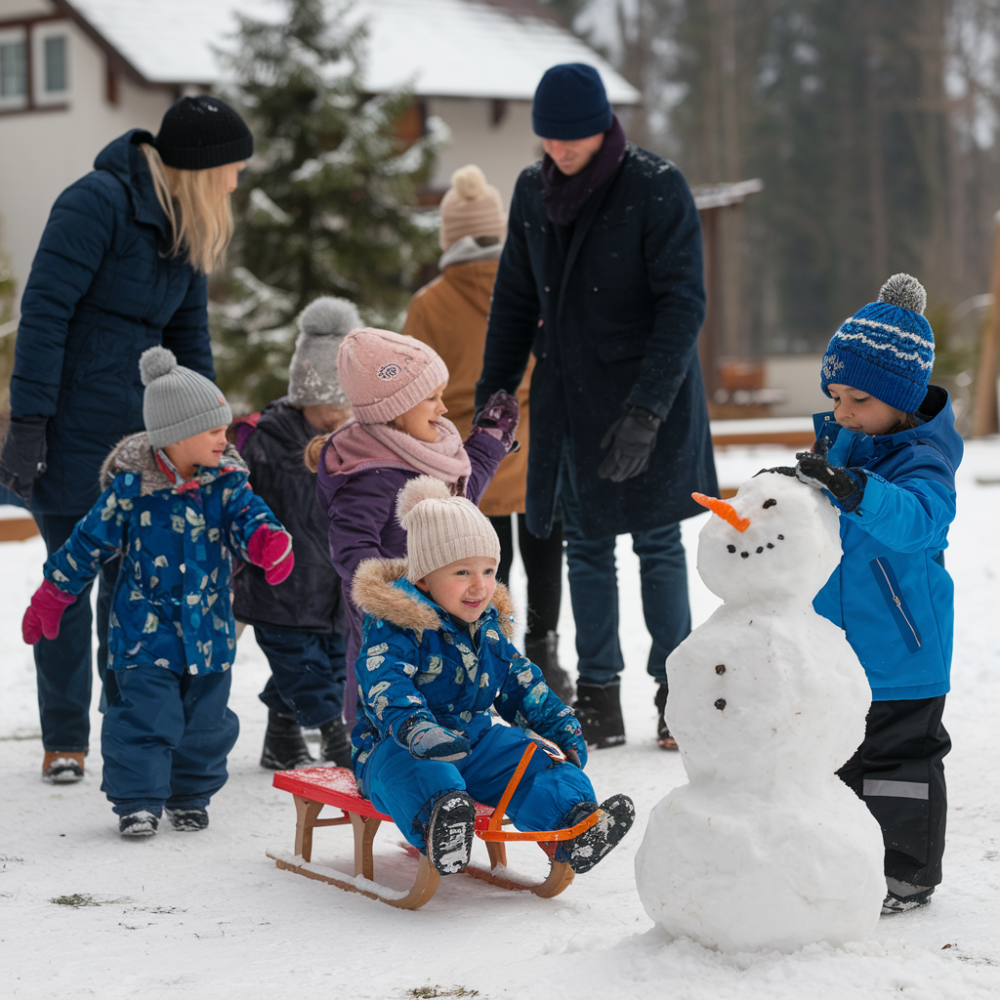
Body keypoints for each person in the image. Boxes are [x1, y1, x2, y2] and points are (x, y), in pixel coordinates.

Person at [0, 95, 253, 782]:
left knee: (136, 590)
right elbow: (44, 314)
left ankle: (131, 732)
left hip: (148, 435)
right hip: (72, 424)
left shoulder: (185, 225)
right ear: (199, 167)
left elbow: (190, 340)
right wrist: (27, 424)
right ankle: (64, 740)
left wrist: (207, 432)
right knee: (69, 576)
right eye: (230, 169)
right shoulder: (97, 203)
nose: (235, 182)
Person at [475, 63, 718, 750]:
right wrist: (494, 393)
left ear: (602, 129)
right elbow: (515, 302)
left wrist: (647, 410)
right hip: (570, 396)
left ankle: (679, 696)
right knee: (585, 546)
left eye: (571, 140)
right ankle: (599, 696)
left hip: (650, 395)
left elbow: (683, 304)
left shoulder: (655, 186)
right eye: (547, 140)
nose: (557, 152)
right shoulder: (532, 192)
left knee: (657, 543)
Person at [21, 348, 293, 837]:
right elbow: (86, 541)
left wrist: (268, 543)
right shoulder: (132, 490)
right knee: (143, 717)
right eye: (213, 430)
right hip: (143, 633)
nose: (223, 439)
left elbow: (252, 519)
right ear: (176, 435)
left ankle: (190, 794)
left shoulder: (227, 485)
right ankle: (139, 800)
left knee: (206, 724)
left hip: (209, 632)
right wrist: (53, 593)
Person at [349, 474, 635, 875]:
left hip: (474, 742)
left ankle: (574, 825)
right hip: (396, 745)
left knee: (531, 759)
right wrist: (415, 727)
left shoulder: (487, 627)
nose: (479, 586)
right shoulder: (396, 625)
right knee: (419, 773)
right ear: (424, 578)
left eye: (488, 570)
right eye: (462, 573)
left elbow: (520, 682)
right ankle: (442, 824)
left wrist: (558, 722)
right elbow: (386, 683)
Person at [794, 273, 960, 915]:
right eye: (835, 396)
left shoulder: (923, 459)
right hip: (837, 649)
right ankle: (845, 863)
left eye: (857, 399)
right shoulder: (840, 442)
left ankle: (908, 874)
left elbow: (920, 520)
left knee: (902, 766)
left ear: (901, 400)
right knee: (838, 760)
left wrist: (854, 488)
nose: (841, 412)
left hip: (903, 650)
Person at [403, 164, 572, 701]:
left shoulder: (430, 303)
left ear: (450, 237)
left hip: (470, 454)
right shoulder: (532, 289)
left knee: (482, 562)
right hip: (538, 442)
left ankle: (488, 652)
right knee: (546, 551)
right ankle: (545, 653)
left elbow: (411, 386)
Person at [308, 326, 518, 723]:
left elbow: (459, 502)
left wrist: (489, 442)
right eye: (431, 398)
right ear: (395, 409)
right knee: (399, 715)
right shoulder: (368, 475)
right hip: (397, 635)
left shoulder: (427, 449)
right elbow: (352, 550)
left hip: (443, 617)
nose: (443, 409)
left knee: (449, 715)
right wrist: (402, 599)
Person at [234, 296, 359, 770]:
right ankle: (336, 737)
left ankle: (281, 738)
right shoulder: (268, 442)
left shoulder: (355, 440)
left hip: (332, 587)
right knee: (306, 672)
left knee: (324, 666)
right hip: (280, 587)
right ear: (309, 394)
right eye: (337, 402)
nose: (346, 412)